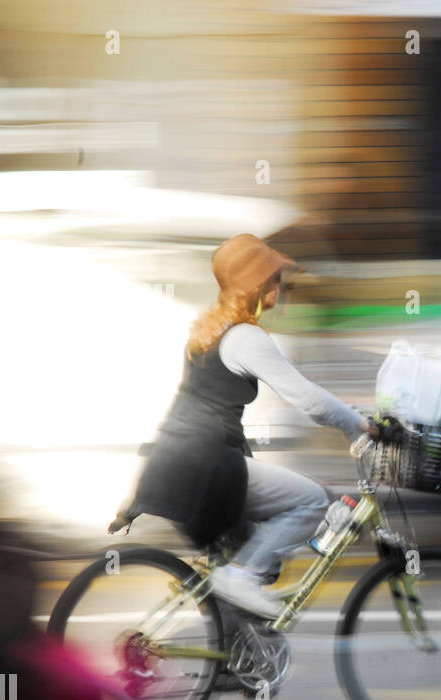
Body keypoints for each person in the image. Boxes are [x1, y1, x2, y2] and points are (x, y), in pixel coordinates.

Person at [115, 234, 379, 619]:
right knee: (310, 501)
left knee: (260, 554)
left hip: (177, 466)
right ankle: (241, 577)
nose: (281, 286)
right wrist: (358, 425)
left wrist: (348, 412)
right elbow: (306, 398)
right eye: (274, 277)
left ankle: (235, 656)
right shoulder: (245, 338)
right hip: (204, 467)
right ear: (254, 282)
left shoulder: (209, 331)